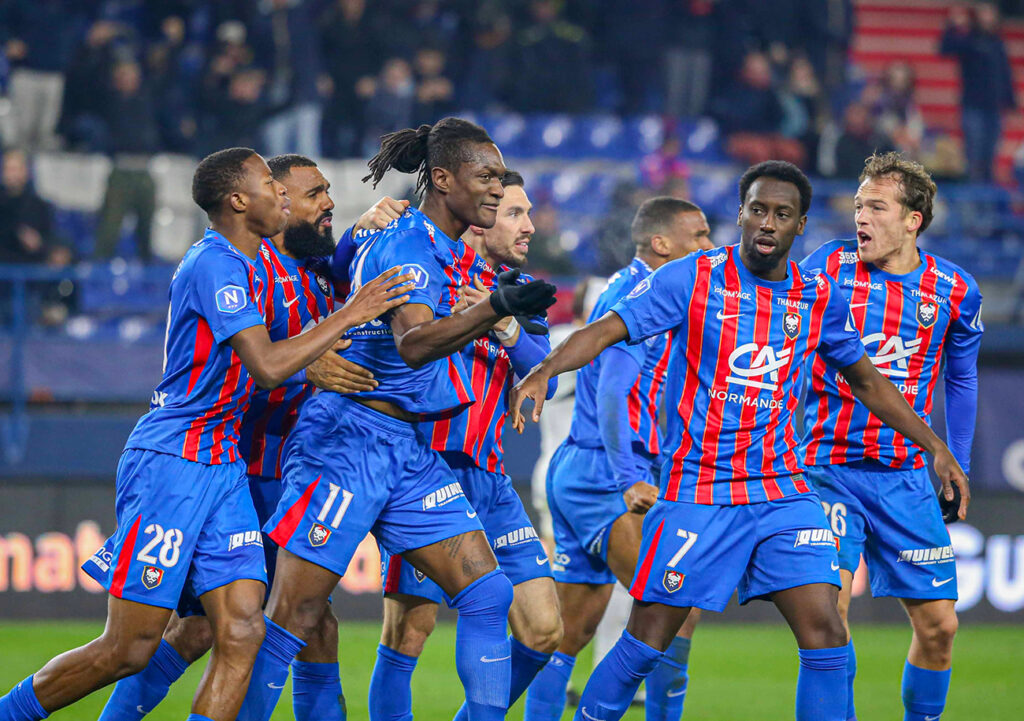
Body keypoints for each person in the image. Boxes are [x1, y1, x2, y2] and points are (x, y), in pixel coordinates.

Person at [510, 160, 970, 721]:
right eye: (757, 210)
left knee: (827, 633)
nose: (767, 223)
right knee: (646, 640)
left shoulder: (816, 294)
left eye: (782, 213)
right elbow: (607, 330)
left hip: (782, 491)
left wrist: (936, 447)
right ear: (741, 214)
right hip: (700, 492)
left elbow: (868, 381)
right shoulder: (694, 277)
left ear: (800, 225)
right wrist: (544, 370)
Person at [0, 147, 411, 721]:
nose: (280, 194)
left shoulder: (259, 264)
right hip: (175, 458)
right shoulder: (214, 263)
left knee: (241, 631)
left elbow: (308, 286)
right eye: (271, 184)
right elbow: (266, 366)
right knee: (129, 648)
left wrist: (357, 242)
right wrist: (349, 314)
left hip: (225, 466)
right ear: (240, 200)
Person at [237, 118, 557, 721]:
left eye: (500, 177)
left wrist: (507, 318)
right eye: (486, 176)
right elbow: (413, 343)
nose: (497, 188)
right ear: (443, 179)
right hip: (347, 440)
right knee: (295, 616)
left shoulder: (444, 249)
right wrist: (494, 308)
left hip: (408, 448)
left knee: (488, 593)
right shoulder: (408, 243)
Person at [368, 170, 563, 721]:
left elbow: (543, 374)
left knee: (543, 629)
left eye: (528, 213)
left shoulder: (519, 291)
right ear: (480, 217)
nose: (528, 226)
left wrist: (502, 321)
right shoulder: (431, 272)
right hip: (427, 471)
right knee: (409, 630)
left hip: (490, 478)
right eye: (514, 213)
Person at [800, 152, 983, 721]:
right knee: (827, 617)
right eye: (859, 206)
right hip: (825, 469)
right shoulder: (826, 268)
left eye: (877, 207)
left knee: (940, 627)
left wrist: (957, 461)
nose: (861, 217)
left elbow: (961, 378)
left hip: (904, 477)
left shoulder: (954, 290)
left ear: (912, 220)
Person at [523, 197, 713, 721]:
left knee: (570, 631)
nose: (709, 246)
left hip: (579, 469)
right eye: (698, 236)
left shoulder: (636, 287)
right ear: (661, 244)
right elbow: (612, 391)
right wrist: (629, 476)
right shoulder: (638, 295)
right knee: (674, 608)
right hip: (605, 476)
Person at [940, 3, 1015, 182]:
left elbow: (1004, 74)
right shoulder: (970, 40)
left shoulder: (997, 42)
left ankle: (987, 192)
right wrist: (952, 26)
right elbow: (945, 48)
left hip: (994, 107)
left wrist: (1010, 102)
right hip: (973, 106)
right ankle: (974, 194)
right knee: (974, 154)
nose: (988, 17)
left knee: (990, 154)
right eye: (984, 13)